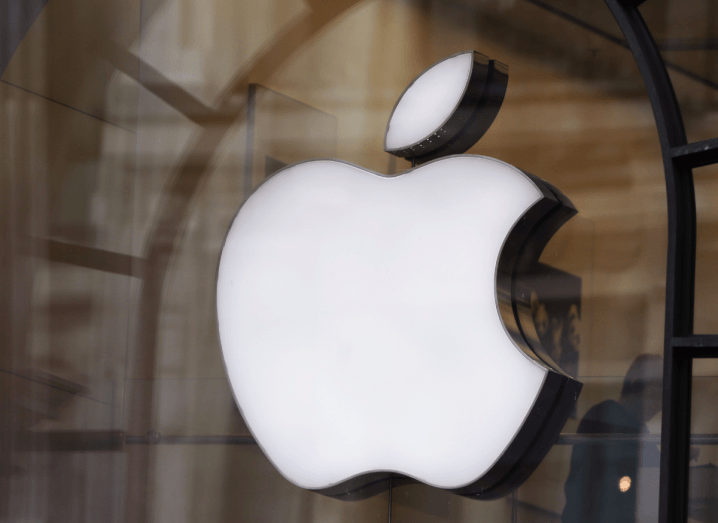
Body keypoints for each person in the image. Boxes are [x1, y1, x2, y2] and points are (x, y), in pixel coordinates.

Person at [561, 354, 664, 523]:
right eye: (656, 392)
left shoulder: (637, 426)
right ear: (635, 384)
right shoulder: (606, 417)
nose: (660, 403)